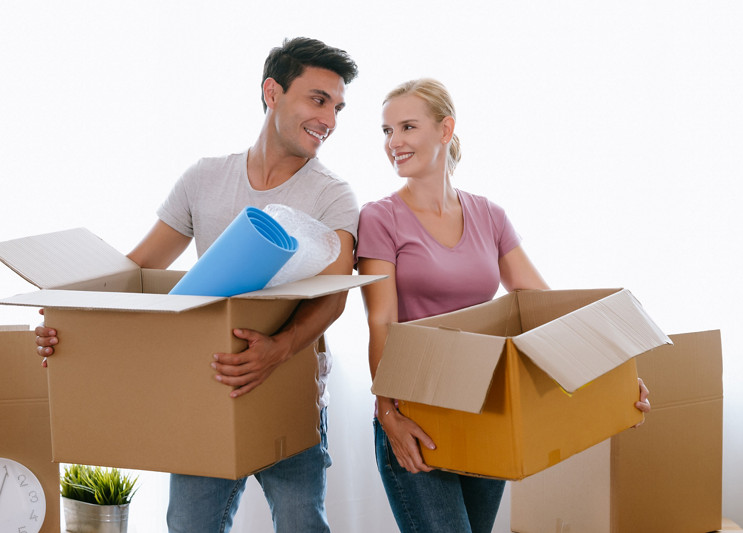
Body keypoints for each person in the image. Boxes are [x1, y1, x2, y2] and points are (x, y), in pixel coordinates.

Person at [33, 37, 358, 533]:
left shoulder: (333, 195)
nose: (330, 119)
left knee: (301, 523)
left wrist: (279, 348)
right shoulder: (204, 178)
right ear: (272, 92)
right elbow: (136, 272)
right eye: (318, 99)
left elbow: (335, 296)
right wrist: (72, 323)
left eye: (337, 107)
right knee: (189, 525)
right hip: (206, 385)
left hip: (286, 381)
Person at [355, 78, 651, 533]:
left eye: (407, 127)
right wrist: (388, 414)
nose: (393, 142)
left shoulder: (489, 215)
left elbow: (544, 308)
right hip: (416, 412)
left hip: (485, 407)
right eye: (386, 131)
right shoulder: (380, 218)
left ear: (444, 129)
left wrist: (614, 375)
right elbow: (381, 322)